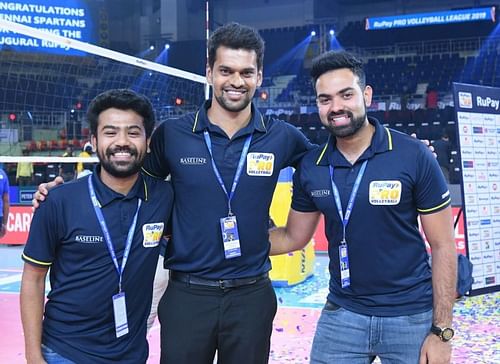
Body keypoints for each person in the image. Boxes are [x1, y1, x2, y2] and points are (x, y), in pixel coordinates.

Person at [32, 24, 437, 364]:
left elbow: (338, 155)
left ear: (260, 76)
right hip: (188, 293)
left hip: (252, 296)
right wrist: (64, 190)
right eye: (226, 70)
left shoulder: (283, 137)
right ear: (210, 72)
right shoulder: (173, 134)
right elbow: (129, 180)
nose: (236, 81)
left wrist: (410, 151)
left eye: (246, 72)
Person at [269, 51, 457, 364]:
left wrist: (442, 331)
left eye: (346, 95)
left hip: (409, 316)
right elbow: (292, 238)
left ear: (366, 95)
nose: (336, 107)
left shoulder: (412, 155)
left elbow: (443, 246)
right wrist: (229, 244)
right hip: (343, 314)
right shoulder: (312, 166)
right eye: (325, 99)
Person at [20, 89, 174, 364]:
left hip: (131, 355)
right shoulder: (59, 201)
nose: (122, 142)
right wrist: (33, 356)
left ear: (148, 141)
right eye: (111, 132)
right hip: (64, 353)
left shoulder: (165, 197)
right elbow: (32, 280)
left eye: (133, 132)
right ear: (94, 140)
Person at [0, 165, 9, 238]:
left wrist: (4, 224)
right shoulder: (2, 174)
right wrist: (4, 224)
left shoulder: (2, 174)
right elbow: (6, 201)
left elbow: (6, 201)